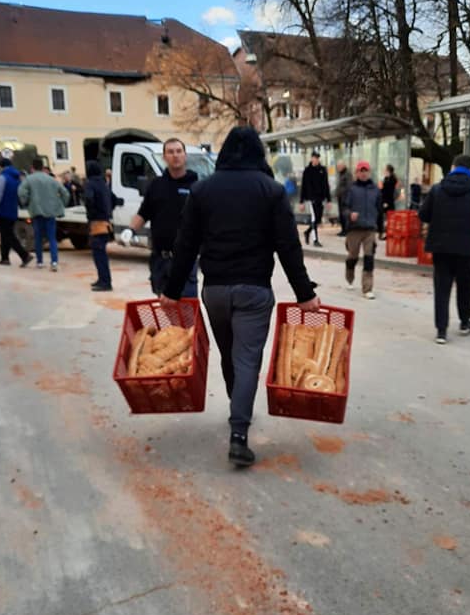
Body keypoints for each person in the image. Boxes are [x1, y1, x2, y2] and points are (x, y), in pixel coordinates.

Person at [160, 126, 320, 468]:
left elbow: (185, 245)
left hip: (215, 290)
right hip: (254, 291)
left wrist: (172, 291)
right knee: (247, 359)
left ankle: (238, 402)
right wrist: (304, 294)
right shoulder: (271, 191)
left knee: (230, 354)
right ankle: (239, 434)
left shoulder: (202, 191)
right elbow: (287, 246)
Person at [418, 153, 470, 344]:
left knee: (442, 288)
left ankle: (441, 331)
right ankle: (464, 322)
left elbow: (423, 214)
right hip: (467, 248)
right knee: (465, 286)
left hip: (441, 248)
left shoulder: (437, 189)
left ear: (453, 167)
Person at [120, 138, 199, 297]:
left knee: (187, 310)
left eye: (178, 151)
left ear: (185, 155)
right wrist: (131, 229)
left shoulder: (196, 186)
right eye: (170, 152)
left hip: (185, 259)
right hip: (160, 260)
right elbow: (144, 213)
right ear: (164, 157)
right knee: (164, 309)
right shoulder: (156, 185)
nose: (175, 155)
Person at [18, 158, 68, 271]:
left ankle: (40, 262)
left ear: (32, 168)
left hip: (36, 212)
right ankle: (54, 262)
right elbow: (65, 193)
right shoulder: (51, 180)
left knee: (38, 238)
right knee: (52, 238)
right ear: (43, 167)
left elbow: (21, 192)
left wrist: (25, 202)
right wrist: (61, 205)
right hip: (50, 213)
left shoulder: (29, 179)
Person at [342, 160, 383, 299]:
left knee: (369, 257)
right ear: (357, 173)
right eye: (361, 171)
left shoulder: (376, 190)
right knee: (353, 256)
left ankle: (367, 288)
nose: (364, 173)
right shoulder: (351, 189)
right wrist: (350, 214)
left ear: (369, 172)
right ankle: (349, 275)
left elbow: (379, 210)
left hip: (370, 229)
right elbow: (344, 208)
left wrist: (381, 229)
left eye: (366, 171)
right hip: (354, 229)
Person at [0, 157, 33, 267]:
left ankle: (25, 256)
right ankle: (4, 258)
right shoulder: (16, 177)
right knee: (5, 235)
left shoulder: (2, 177)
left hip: (3, 210)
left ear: (1, 166)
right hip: (13, 209)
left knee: (8, 235)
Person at [83, 159, 114, 291]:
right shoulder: (103, 184)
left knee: (99, 255)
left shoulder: (90, 184)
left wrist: (92, 212)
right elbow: (115, 199)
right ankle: (102, 279)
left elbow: (89, 199)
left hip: (97, 223)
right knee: (102, 254)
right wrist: (108, 210)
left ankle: (105, 282)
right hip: (106, 223)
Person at [301, 151, 330, 247]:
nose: (316, 160)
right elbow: (303, 186)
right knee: (314, 218)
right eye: (314, 157)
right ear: (311, 158)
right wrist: (301, 201)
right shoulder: (307, 170)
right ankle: (315, 240)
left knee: (318, 219)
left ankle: (307, 232)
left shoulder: (322, 170)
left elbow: (326, 185)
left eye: (317, 158)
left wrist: (328, 199)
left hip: (320, 198)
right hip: (311, 198)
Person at [334, 159, 352, 236]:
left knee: (345, 215)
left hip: (345, 198)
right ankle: (343, 230)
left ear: (343, 166)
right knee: (341, 215)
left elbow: (349, 186)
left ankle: (346, 230)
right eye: (337, 167)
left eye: (339, 166)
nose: (338, 168)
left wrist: (344, 195)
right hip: (340, 198)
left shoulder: (347, 174)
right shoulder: (341, 174)